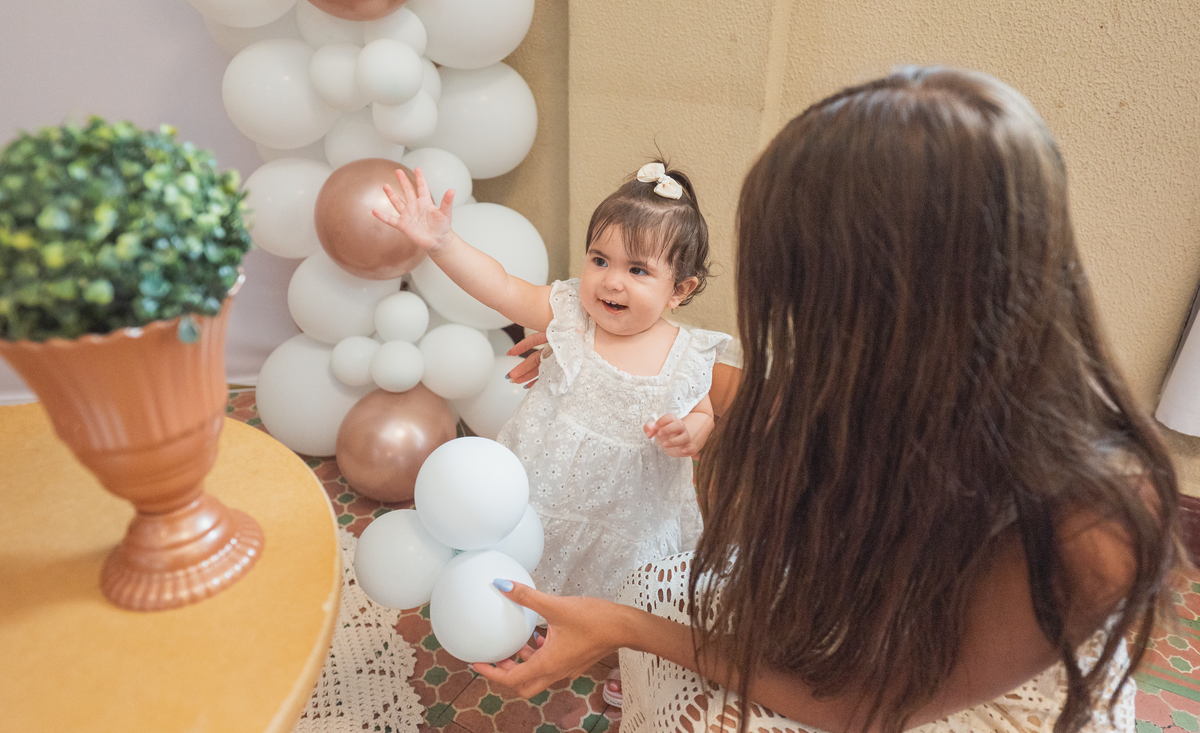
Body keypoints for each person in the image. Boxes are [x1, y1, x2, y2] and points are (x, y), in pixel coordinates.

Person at [472, 66, 1183, 733]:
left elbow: (866, 701)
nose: (791, 326)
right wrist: (596, 367)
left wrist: (626, 626)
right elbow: (746, 398)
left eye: (800, 292)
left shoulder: (1095, 521)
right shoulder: (870, 396)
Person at [373, 159, 731, 706]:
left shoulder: (688, 356)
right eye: (599, 259)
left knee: (626, 586)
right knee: (533, 552)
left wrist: (691, 433)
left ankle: (622, 658)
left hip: (629, 507)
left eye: (638, 271)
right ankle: (528, 618)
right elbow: (498, 286)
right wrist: (442, 242)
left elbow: (703, 411)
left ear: (680, 290)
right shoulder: (567, 316)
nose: (611, 280)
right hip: (547, 476)